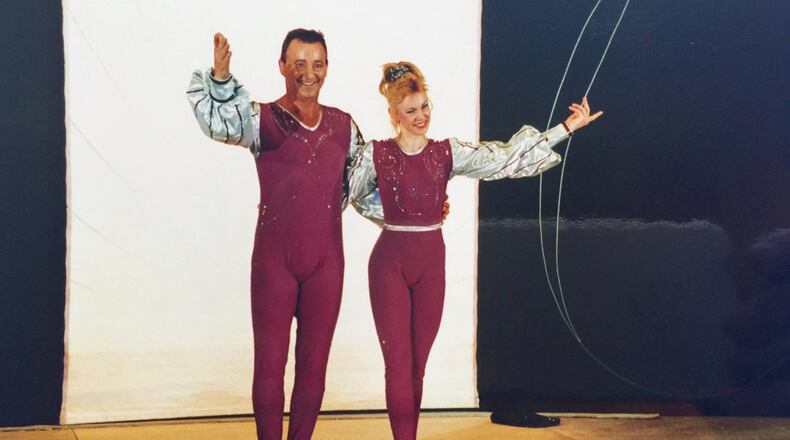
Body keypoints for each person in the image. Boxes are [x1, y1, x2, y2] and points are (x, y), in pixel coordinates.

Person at [349, 61, 602, 440]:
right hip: (389, 264)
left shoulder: (446, 152)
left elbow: (503, 158)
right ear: (394, 114)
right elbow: (352, 194)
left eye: (425, 106)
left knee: (417, 365)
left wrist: (565, 128)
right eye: (411, 110)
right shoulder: (376, 153)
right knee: (398, 365)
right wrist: (397, 210)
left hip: (431, 263)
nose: (421, 116)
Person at [186, 29, 385, 440]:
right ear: (282, 67)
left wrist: (419, 210)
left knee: (315, 366)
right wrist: (221, 80)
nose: (307, 74)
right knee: (270, 363)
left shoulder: (344, 126)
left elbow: (367, 190)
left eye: (316, 64)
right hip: (274, 264)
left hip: (327, 266)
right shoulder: (262, 119)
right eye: (298, 64)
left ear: (327, 68)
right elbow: (218, 123)